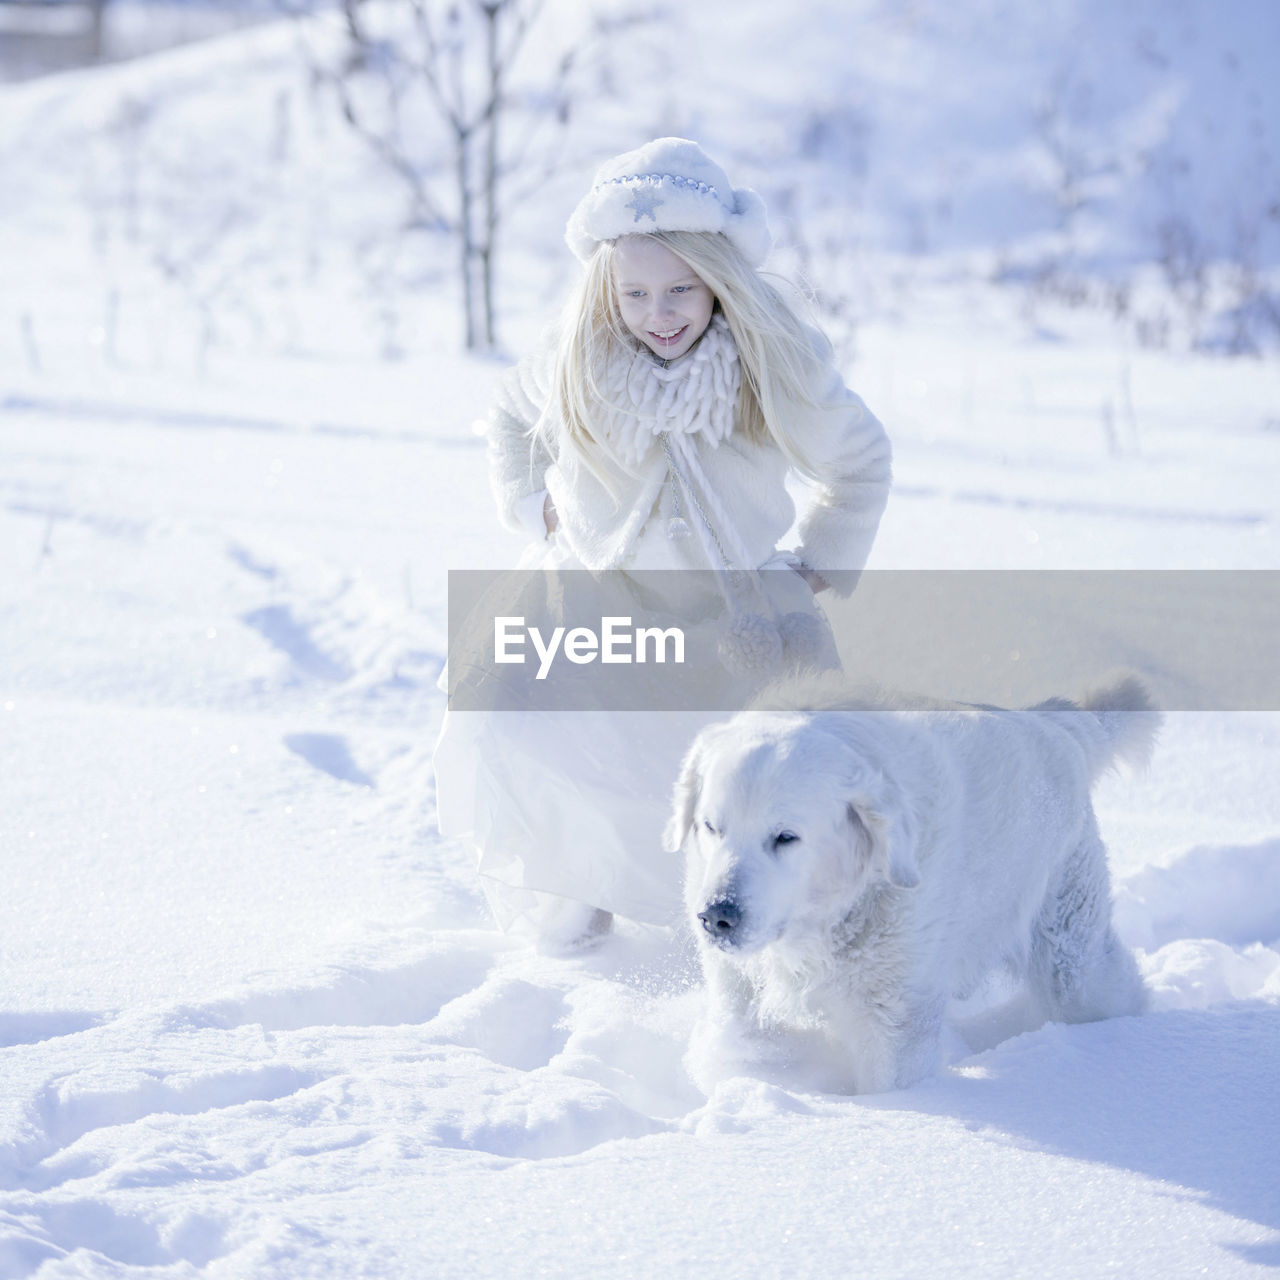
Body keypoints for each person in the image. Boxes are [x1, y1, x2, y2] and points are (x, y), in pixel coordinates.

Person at [434, 138, 892, 950]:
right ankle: (575, 892)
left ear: (719, 278)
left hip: (729, 614)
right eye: (636, 292)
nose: (661, 312)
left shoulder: (773, 360)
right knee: (525, 722)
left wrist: (824, 556)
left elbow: (859, 460)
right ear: (607, 288)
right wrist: (528, 502)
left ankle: (755, 916)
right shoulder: (580, 351)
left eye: (683, 288)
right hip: (591, 596)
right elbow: (509, 419)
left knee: (713, 768)